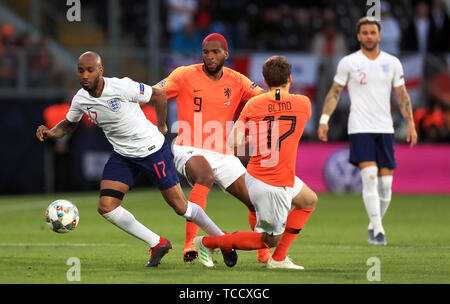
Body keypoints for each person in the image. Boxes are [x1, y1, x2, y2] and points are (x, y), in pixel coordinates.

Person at [36, 51, 235, 267]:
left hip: (152, 150)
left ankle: (222, 240)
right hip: (123, 155)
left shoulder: (121, 87)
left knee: (181, 207)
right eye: (81, 71)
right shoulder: (81, 99)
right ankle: (157, 243)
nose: (85, 75)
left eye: (90, 70)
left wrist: (161, 126)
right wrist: (50, 132)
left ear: (100, 70)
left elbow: (158, 95)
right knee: (107, 207)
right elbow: (69, 124)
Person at [155, 33, 272, 263]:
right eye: (206, 52)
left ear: (226, 54)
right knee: (204, 176)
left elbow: (263, 99)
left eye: (215, 52)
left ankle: (262, 251)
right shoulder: (184, 75)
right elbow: (154, 92)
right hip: (188, 147)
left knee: (255, 201)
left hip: (223, 152)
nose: (209, 57)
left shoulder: (237, 80)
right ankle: (190, 244)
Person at [193, 55, 318, 269]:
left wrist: (256, 136)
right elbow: (284, 125)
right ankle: (207, 242)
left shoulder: (254, 103)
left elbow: (233, 142)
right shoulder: (303, 103)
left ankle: (278, 258)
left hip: (262, 174)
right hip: (272, 182)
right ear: (290, 77)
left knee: (308, 200)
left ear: (264, 80)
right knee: (268, 240)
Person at [317, 17, 418, 246]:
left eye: (373, 32)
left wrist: (410, 123)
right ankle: (379, 232)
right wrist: (324, 119)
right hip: (360, 127)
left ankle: (373, 225)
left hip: (385, 128)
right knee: (370, 179)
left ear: (379, 36)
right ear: (359, 36)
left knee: (386, 186)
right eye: (365, 32)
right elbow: (334, 92)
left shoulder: (392, 63)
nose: (369, 36)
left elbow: (402, 95)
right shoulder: (349, 63)